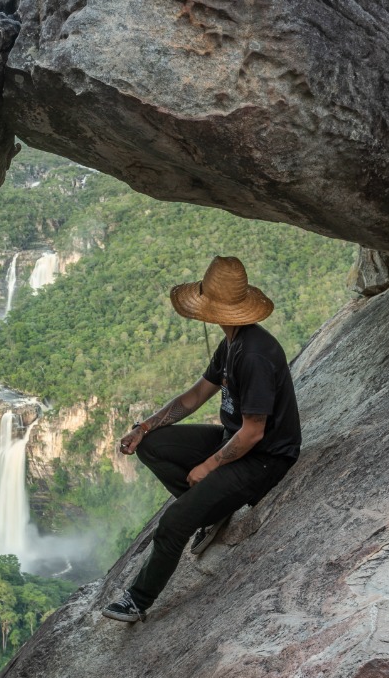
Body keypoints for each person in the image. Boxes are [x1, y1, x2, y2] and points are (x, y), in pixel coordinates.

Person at [102, 256, 301, 623]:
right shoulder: (232, 343)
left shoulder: (255, 354)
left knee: (175, 522)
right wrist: (143, 428)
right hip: (234, 439)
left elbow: (255, 431)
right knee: (153, 446)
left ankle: (137, 600)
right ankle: (211, 509)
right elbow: (194, 397)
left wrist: (208, 467)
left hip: (264, 458)